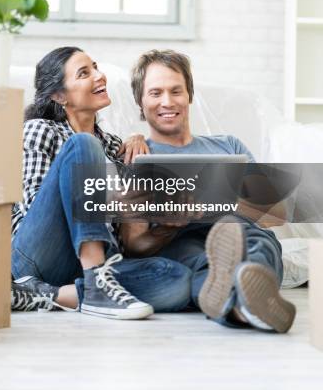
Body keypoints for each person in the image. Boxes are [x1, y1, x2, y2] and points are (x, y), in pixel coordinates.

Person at [120, 49, 296, 333]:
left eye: (176, 91)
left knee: (256, 242)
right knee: (198, 263)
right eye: (155, 93)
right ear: (141, 103)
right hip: (178, 239)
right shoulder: (136, 158)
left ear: (189, 94)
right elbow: (133, 245)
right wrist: (164, 228)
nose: (167, 102)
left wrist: (215, 202)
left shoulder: (229, 146)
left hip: (239, 229)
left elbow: (277, 214)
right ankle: (249, 307)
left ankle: (239, 306)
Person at [10, 46, 191, 320]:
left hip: (93, 266)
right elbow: (34, 205)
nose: (99, 76)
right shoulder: (40, 129)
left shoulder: (115, 146)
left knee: (176, 279)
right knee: (83, 143)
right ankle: (93, 282)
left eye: (95, 67)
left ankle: (47, 295)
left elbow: (126, 241)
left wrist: (138, 141)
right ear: (60, 95)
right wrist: (109, 201)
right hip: (39, 253)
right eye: (84, 73)